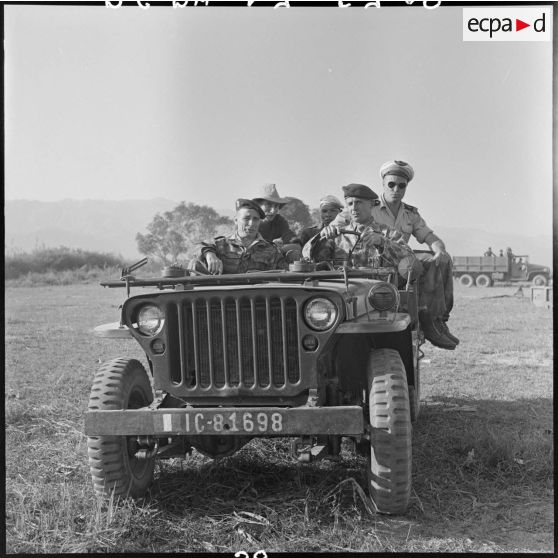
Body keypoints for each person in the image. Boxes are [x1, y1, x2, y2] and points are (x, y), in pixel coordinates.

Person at [304, 184, 454, 350]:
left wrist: (383, 243)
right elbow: (308, 258)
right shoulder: (337, 235)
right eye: (350, 203)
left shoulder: (388, 234)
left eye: (359, 203)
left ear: (372, 205)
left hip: (380, 305)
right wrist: (322, 237)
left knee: (393, 346)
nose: (354, 208)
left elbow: (410, 260)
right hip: (342, 307)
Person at [368, 160, 459, 348]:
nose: (396, 189)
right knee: (418, 262)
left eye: (402, 185)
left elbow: (430, 237)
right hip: (376, 262)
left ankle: (437, 321)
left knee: (441, 259)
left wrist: (440, 250)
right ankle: (431, 322)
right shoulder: (370, 208)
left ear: (406, 187)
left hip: (403, 263)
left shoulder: (410, 214)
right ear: (383, 184)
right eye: (391, 184)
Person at [189, 198, 286, 274]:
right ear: (236, 220)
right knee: (194, 263)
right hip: (225, 297)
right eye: (246, 218)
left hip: (258, 298)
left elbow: (284, 274)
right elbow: (196, 248)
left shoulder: (272, 250)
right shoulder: (221, 245)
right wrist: (209, 254)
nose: (251, 223)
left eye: (256, 219)